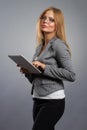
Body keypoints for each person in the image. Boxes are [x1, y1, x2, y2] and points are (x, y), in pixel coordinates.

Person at [18, 6, 76, 130]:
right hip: (38, 99)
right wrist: (28, 72)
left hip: (53, 102)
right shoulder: (39, 47)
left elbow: (71, 75)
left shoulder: (58, 45)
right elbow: (37, 79)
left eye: (51, 19)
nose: (45, 21)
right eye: (44, 18)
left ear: (57, 25)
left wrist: (44, 67)